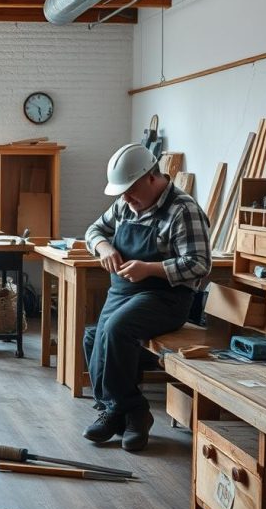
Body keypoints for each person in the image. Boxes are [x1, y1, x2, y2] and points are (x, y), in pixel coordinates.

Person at [82, 143, 211, 451]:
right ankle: (121, 411)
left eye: (130, 190)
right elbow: (93, 231)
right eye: (121, 192)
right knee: (93, 337)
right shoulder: (126, 205)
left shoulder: (183, 209)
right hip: (124, 291)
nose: (125, 198)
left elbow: (200, 264)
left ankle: (131, 409)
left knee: (116, 330)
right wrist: (105, 248)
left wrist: (150, 269)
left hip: (166, 298)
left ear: (152, 177)